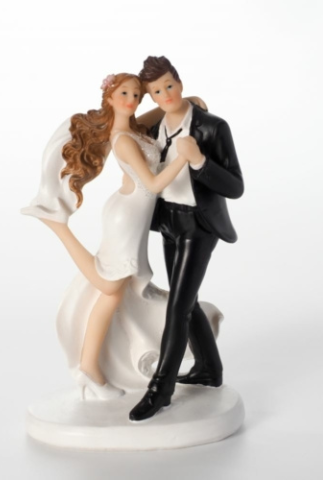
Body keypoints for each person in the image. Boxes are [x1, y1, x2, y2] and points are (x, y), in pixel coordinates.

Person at [21, 73, 223, 401]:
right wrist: (184, 158)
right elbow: (154, 185)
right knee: (110, 285)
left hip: (135, 215)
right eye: (124, 94)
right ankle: (58, 227)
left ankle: (90, 368)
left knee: (115, 293)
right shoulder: (123, 139)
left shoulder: (134, 128)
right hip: (126, 216)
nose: (131, 100)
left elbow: (159, 114)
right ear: (110, 97)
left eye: (136, 95)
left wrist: (188, 103)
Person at [129, 57, 245, 421]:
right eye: (156, 91)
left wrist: (199, 162)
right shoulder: (155, 128)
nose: (166, 94)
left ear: (179, 82)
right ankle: (209, 369)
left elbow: (236, 187)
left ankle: (160, 390)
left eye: (169, 85)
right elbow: (129, 128)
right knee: (187, 301)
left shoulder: (213, 127)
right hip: (168, 222)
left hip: (199, 225)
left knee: (177, 308)